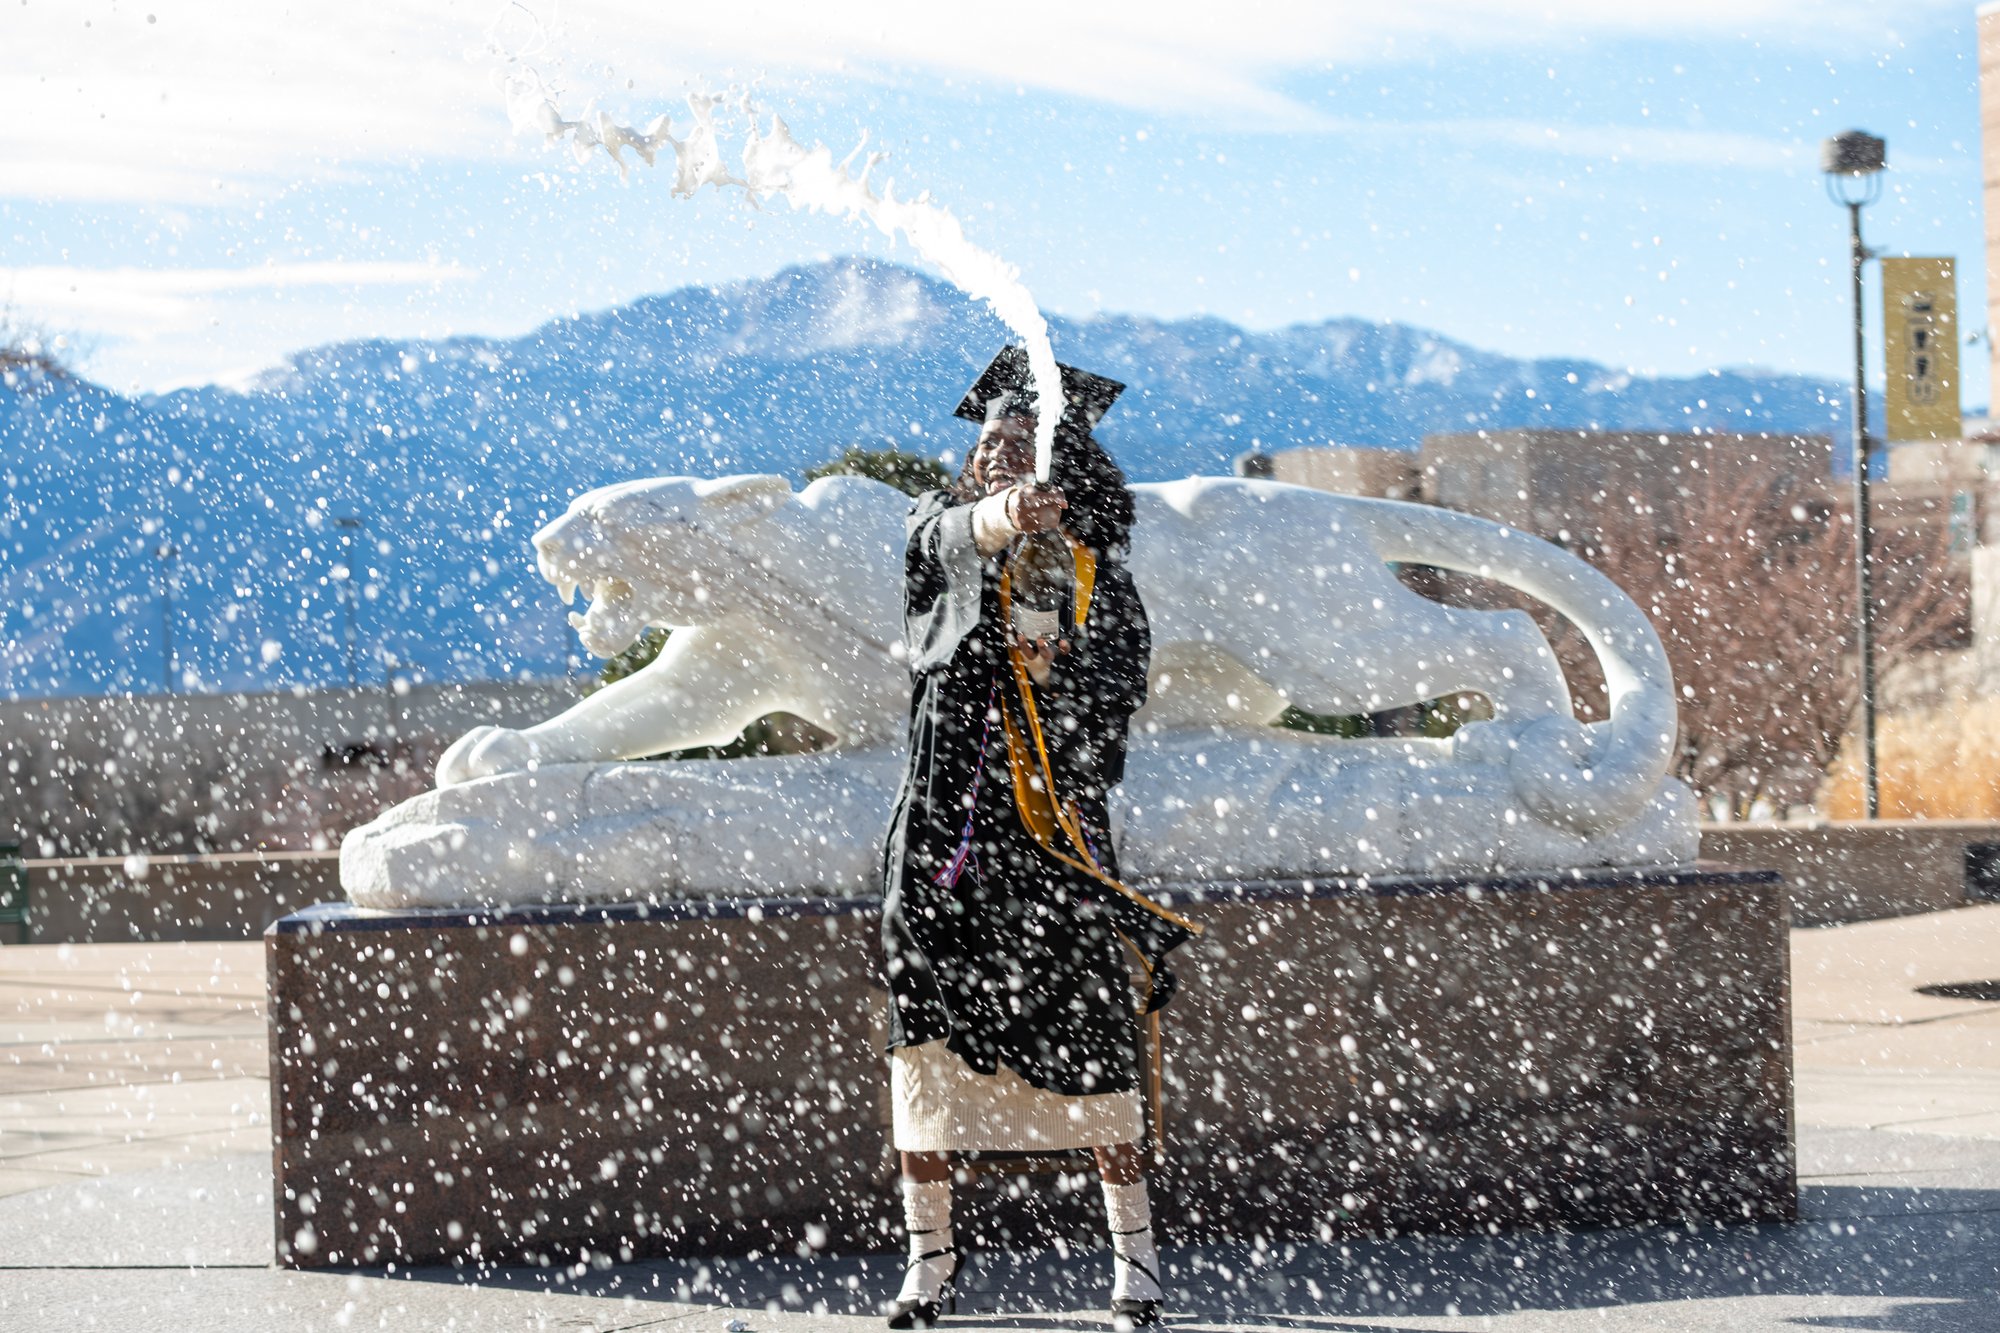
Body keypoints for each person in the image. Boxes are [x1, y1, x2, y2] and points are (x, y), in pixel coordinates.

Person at [879, 346, 1199, 1329]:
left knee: (1094, 1031)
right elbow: (938, 548)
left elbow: (1114, 701)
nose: (996, 455)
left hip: (1050, 842)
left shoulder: (1101, 580)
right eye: (986, 440)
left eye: (1019, 443)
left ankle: (1134, 1263)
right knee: (922, 1034)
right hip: (942, 837)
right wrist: (994, 525)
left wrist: (1054, 667)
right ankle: (929, 1261)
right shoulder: (938, 534)